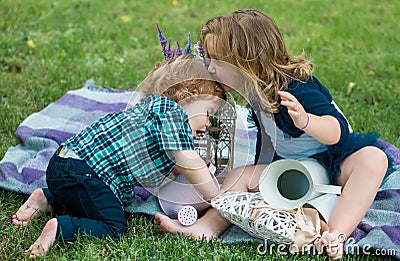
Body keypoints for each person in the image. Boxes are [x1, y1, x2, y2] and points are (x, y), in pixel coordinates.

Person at [154, 9, 389, 259]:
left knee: (374, 159)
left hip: (336, 163)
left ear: (243, 62)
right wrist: (259, 181)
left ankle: (336, 234)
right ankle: (207, 226)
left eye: (215, 60)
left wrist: (306, 120)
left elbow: (338, 131)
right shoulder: (255, 95)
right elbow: (267, 144)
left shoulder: (298, 88)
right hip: (292, 170)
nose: (208, 66)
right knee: (238, 176)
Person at [12, 54, 227, 258]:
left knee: (85, 197)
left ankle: (47, 198)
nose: (208, 124)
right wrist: (217, 197)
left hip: (65, 164)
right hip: (88, 173)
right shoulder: (174, 114)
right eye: (208, 113)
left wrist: (200, 167)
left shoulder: (154, 112)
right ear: (186, 95)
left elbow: (176, 164)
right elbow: (189, 163)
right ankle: (61, 228)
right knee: (114, 225)